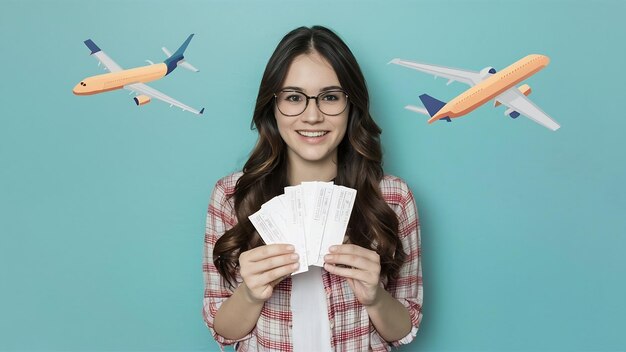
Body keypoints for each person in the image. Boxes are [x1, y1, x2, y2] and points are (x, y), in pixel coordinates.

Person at [203, 25, 422, 351]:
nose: (312, 115)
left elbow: (405, 326)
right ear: (272, 107)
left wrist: (375, 297)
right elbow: (224, 329)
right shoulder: (232, 196)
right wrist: (250, 293)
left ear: (352, 106)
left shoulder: (393, 197)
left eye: (330, 97)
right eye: (294, 98)